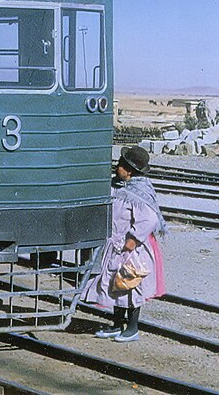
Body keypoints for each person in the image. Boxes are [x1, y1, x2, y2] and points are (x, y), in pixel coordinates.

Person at [82, 145, 166, 342]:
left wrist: (134, 238)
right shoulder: (117, 186)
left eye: (120, 164)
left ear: (129, 170)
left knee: (131, 285)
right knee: (115, 285)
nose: (116, 167)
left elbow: (150, 219)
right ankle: (117, 324)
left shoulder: (139, 192)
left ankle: (133, 327)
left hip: (132, 248)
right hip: (116, 245)